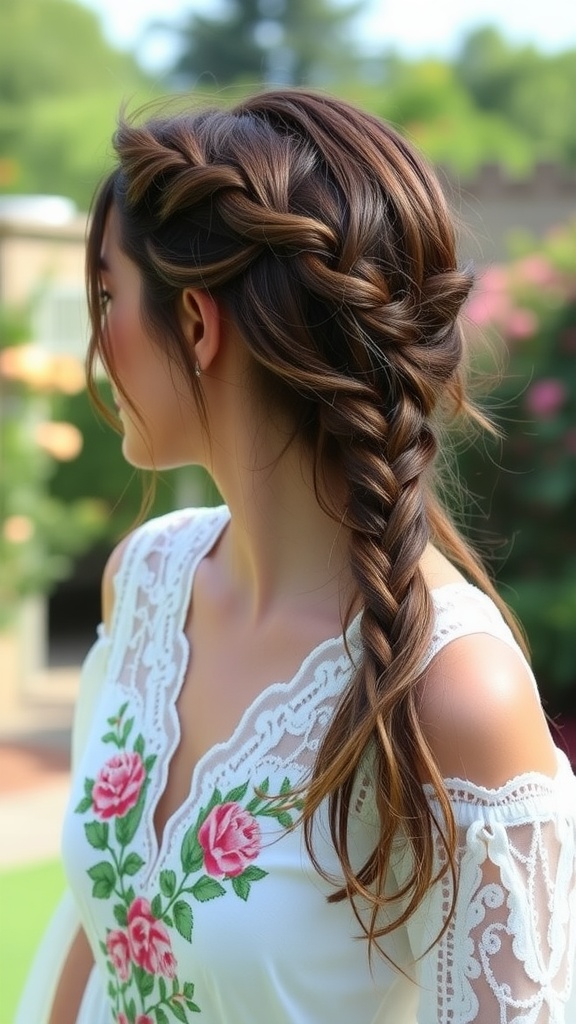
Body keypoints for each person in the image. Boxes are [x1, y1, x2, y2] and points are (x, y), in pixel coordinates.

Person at [17, 89, 576, 1024]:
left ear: (196, 325)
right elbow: (96, 929)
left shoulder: (454, 694)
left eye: (108, 297)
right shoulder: (146, 582)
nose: (95, 343)